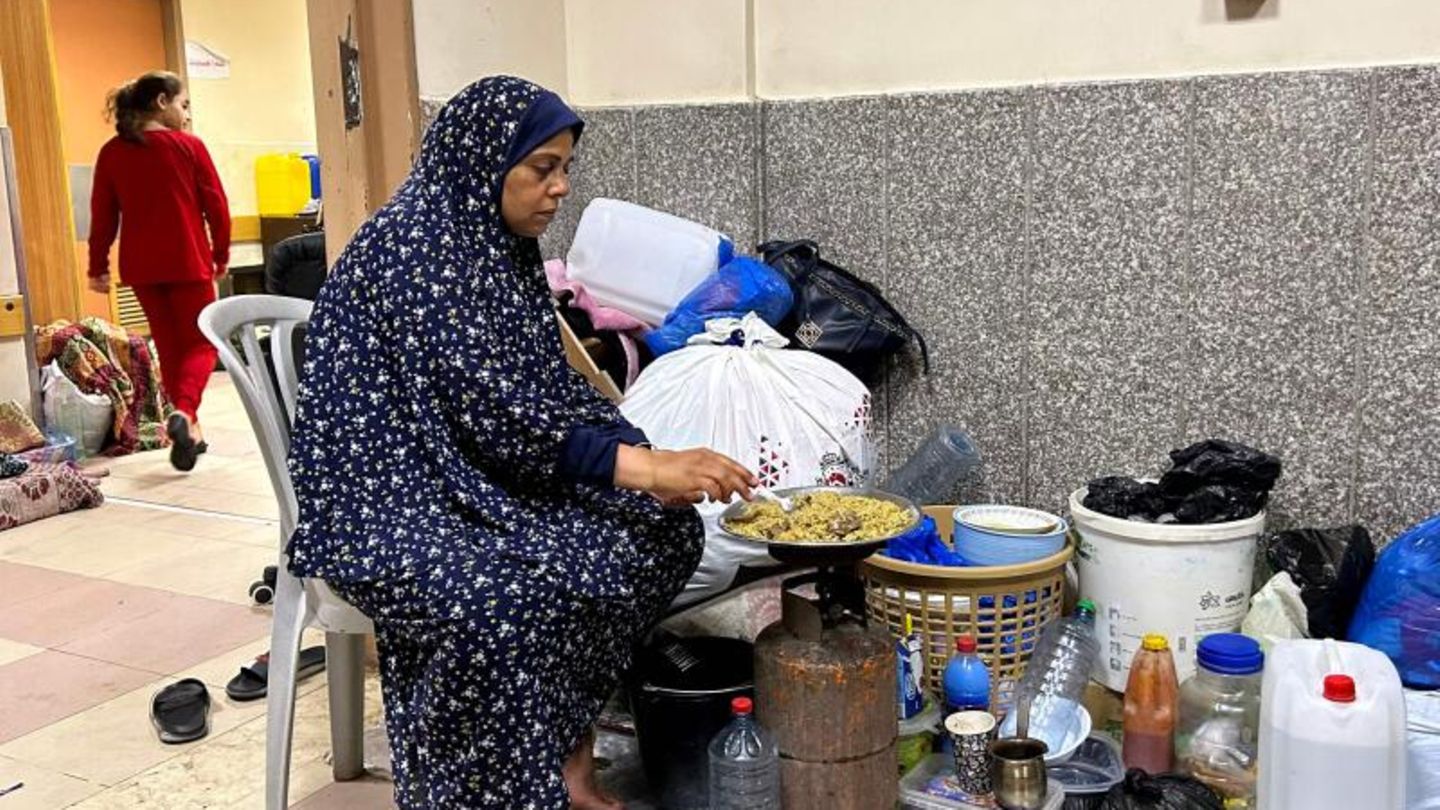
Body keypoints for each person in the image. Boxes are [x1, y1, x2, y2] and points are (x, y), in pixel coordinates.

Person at [287, 76, 756, 809]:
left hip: (480, 476)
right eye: (542, 169)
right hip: (391, 500)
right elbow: (495, 413)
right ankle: (488, 793)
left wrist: (638, 454)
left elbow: (547, 386)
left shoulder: (498, 245)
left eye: (566, 168)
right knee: (502, 599)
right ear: (483, 161)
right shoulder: (420, 248)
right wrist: (644, 467)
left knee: (655, 533)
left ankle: (566, 756)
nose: (560, 188)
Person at [88, 70, 230, 471]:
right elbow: (216, 206)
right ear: (162, 103)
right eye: (184, 105)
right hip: (188, 260)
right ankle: (184, 413)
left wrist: (98, 266)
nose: (187, 115)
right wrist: (220, 254)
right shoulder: (189, 147)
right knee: (204, 343)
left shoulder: (113, 152)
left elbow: (102, 217)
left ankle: (191, 433)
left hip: (142, 267)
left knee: (169, 349)